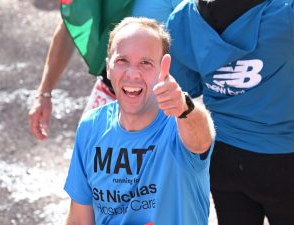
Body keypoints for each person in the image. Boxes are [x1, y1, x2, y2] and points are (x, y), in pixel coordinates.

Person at [64, 17, 215, 225]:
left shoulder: (178, 123)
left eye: (146, 63)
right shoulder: (91, 128)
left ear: (163, 70)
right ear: (108, 68)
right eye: (122, 61)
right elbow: (80, 220)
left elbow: (202, 140)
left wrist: (184, 107)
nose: (133, 74)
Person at [167, 0, 294, 224]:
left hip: (222, 154)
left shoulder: (183, 16)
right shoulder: (285, 11)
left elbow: (188, 85)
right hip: (282, 156)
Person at [28, 0, 183, 140]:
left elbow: (200, 37)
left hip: (157, 106)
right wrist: (44, 93)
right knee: (91, 165)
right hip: (109, 90)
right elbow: (71, 24)